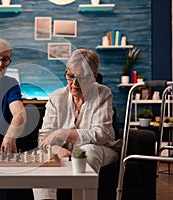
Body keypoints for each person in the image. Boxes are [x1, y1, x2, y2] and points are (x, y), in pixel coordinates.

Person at [33, 49, 121, 200]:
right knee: (42, 156)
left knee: (85, 152)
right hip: (66, 151)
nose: (74, 83)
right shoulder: (56, 97)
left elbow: (100, 135)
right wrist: (54, 147)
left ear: (94, 76)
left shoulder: (103, 93)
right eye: (70, 76)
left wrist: (61, 133)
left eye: (81, 77)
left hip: (102, 149)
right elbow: (44, 137)